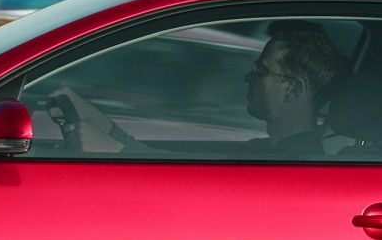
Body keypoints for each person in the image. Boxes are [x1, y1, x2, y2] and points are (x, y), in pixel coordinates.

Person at [47, 19, 345, 159]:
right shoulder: (267, 152)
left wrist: (116, 149)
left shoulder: (291, 166)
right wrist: (106, 128)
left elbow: (189, 191)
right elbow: (169, 162)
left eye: (260, 71)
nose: (247, 78)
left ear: (293, 90)